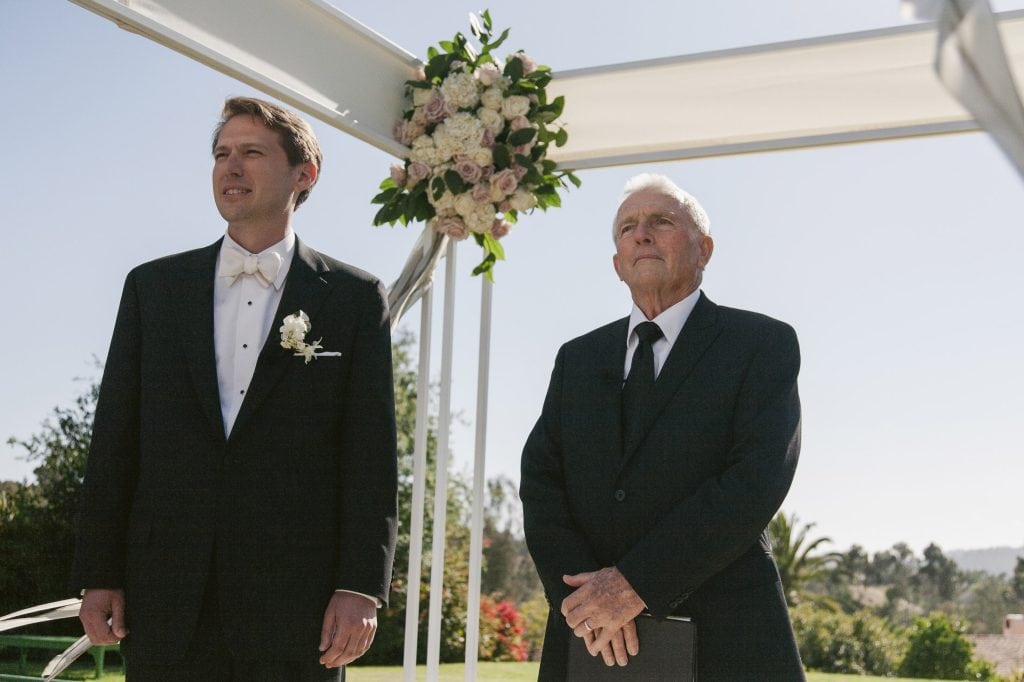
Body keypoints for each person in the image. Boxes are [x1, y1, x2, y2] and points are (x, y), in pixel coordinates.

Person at [71, 96, 398, 681]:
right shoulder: (152, 289)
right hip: (165, 597)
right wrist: (100, 571)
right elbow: (114, 440)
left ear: (305, 175)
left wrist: (360, 587)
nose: (231, 167)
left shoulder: (353, 298)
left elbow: (370, 458)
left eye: (252, 153)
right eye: (222, 154)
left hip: (297, 606)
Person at [521, 173, 804, 680]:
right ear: (617, 264)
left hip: (728, 637)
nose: (642, 234)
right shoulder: (577, 359)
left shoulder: (761, 344)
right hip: (592, 637)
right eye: (628, 227)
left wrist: (635, 584)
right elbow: (541, 482)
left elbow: (754, 481)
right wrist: (584, 603)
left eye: (662, 221)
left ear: (705, 249)